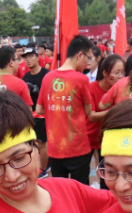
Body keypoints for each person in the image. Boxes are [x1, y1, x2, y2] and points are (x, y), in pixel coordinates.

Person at [36, 36, 94, 185]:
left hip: (55, 148)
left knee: (61, 191)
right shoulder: (81, 79)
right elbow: (88, 111)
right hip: (77, 147)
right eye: (88, 58)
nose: (88, 63)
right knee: (80, 192)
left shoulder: (48, 77)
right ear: (80, 55)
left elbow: (39, 109)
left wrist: (56, 111)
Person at [87, 54, 125, 184]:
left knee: (107, 176)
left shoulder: (122, 89)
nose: (120, 76)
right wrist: (114, 110)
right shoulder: (91, 88)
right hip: (90, 137)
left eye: (122, 72)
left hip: (109, 138)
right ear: (104, 73)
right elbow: (91, 116)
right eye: (116, 72)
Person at [22, 47, 50, 176]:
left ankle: (43, 169)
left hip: (45, 115)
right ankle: (46, 163)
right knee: (35, 142)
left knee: (42, 142)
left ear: (38, 57)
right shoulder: (25, 77)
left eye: (30, 56)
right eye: (25, 57)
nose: (28, 59)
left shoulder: (46, 74)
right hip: (31, 115)